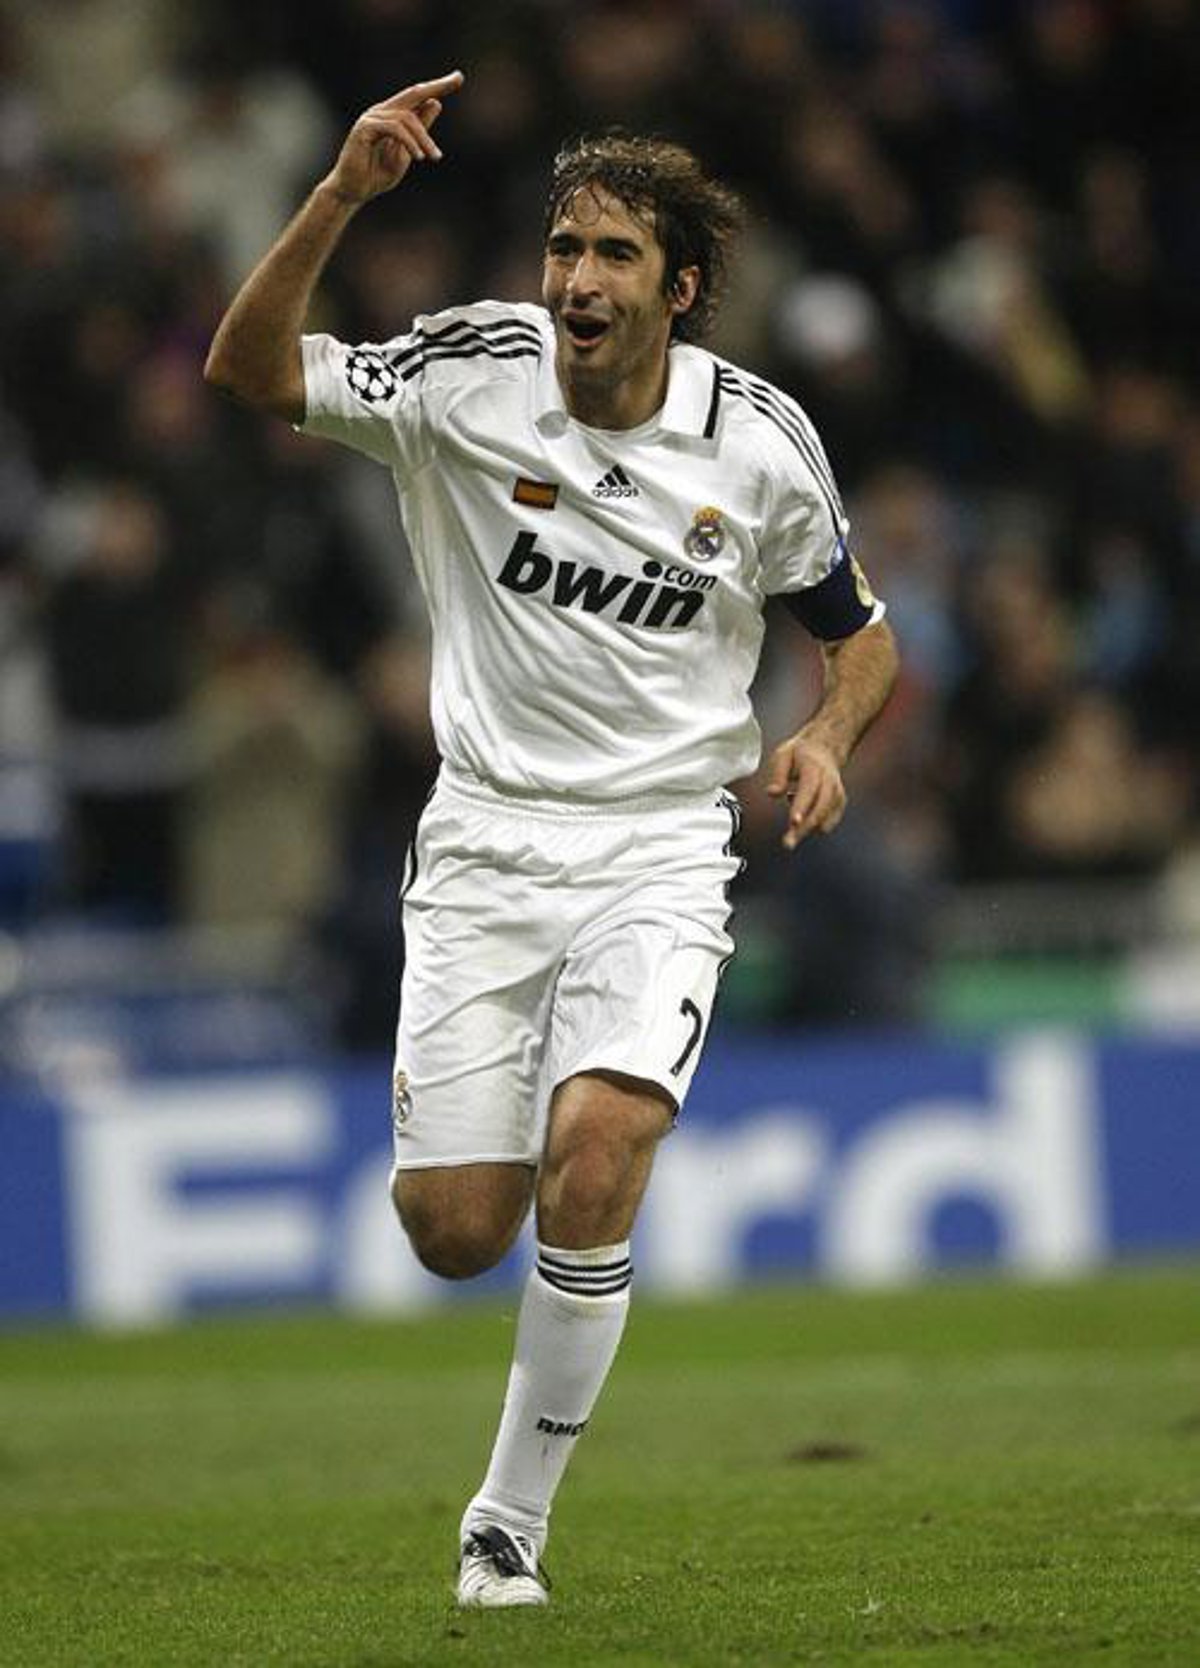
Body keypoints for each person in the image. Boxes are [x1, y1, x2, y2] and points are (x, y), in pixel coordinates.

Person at [204, 71, 899, 1608]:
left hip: (661, 847)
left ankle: (504, 1525)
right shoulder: (464, 375)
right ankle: (518, 1109)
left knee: (599, 1148)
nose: (578, 279)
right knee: (456, 1232)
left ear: (681, 290)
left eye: (615, 256)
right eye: (564, 248)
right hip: (485, 845)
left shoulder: (758, 445)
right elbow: (245, 372)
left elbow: (859, 636)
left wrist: (826, 737)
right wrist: (341, 195)